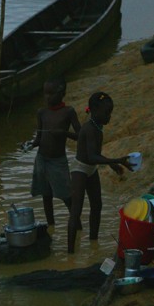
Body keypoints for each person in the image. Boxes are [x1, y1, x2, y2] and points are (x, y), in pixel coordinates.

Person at [67, 91, 131, 254]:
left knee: (97, 206)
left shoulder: (97, 126)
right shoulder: (89, 129)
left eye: (110, 112)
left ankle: (93, 244)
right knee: (76, 211)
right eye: (106, 113)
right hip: (80, 169)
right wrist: (115, 161)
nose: (109, 116)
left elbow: (95, 155)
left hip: (91, 168)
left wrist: (112, 164)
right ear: (94, 111)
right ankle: (70, 254)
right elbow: (91, 156)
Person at [30, 78, 81, 226]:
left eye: (51, 93)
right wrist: (30, 145)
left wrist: (64, 133)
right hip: (41, 159)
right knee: (46, 196)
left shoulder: (68, 112)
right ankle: (50, 226)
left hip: (57, 161)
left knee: (66, 196)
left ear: (62, 93)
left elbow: (80, 136)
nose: (47, 97)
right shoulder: (42, 112)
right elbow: (39, 138)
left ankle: (76, 225)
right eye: (45, 93)